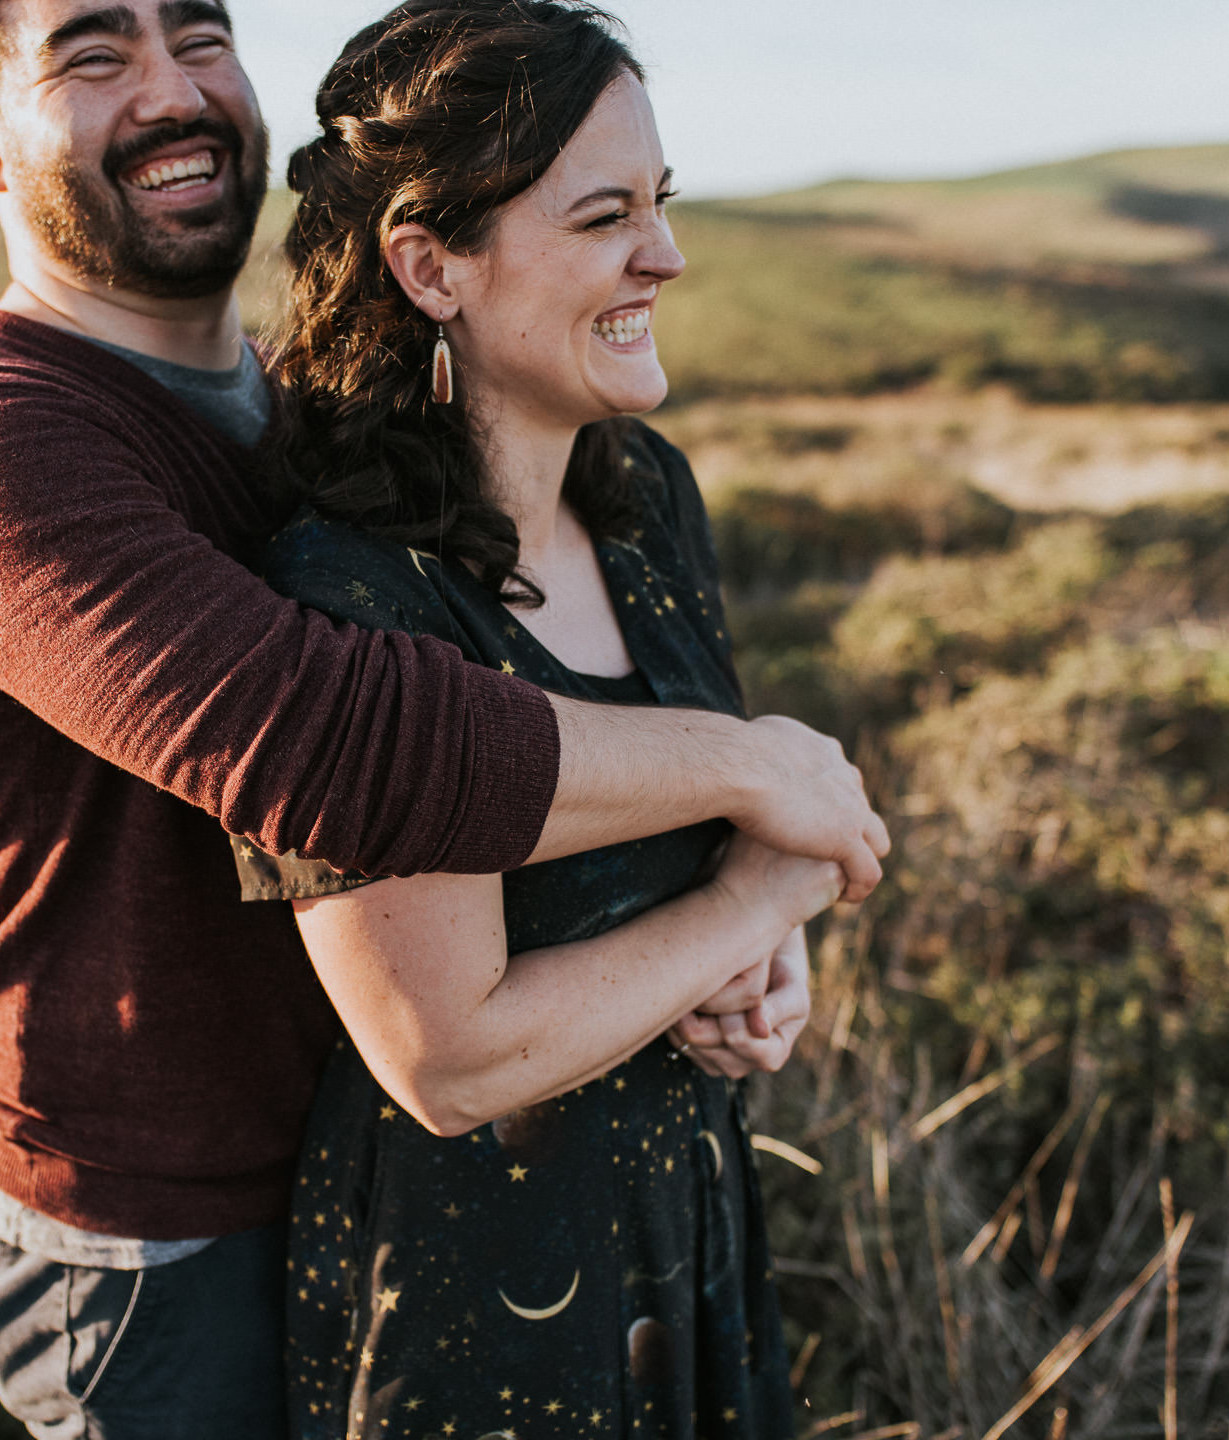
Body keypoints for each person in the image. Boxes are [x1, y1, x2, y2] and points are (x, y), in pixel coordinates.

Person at [0, 0, 886, 1435]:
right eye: (95, 55)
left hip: (391, 1175)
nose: (171, 90)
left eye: (198, 35)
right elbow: (338, 753)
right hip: (165, 1232)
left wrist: (746, 932)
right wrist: (757, 778)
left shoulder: (309, 419)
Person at [234, 4, 819, 1435]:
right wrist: (761, 899)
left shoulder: (645, 500)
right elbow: (449, 1057)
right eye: (606, 214)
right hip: (478, 1299)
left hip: (685, 1238)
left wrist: (766, 974)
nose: (665, 255)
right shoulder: (349, 592)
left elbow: (702, 832)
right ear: (432, 266)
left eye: (662, 205)